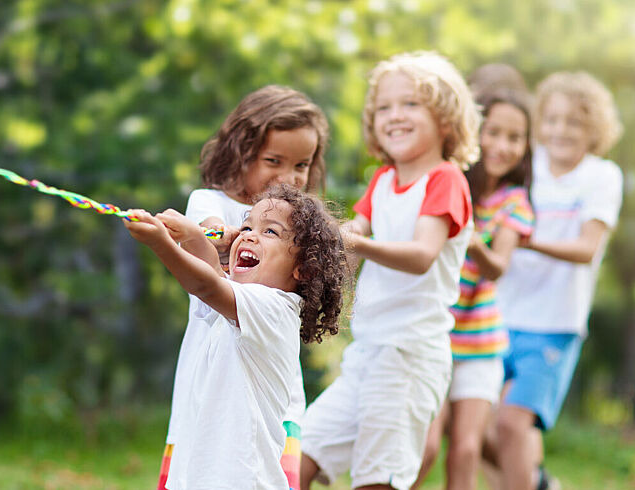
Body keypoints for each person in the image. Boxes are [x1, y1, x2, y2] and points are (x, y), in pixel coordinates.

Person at [300, 51, 480, 490]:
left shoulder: (445, 180)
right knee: (297, 457)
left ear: (445, 118)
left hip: (409, 358)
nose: (394, 115)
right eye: (384, 107)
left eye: (411, 104)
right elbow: (351, 240)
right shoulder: (382, 179)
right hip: (367, 353)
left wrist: (355, 241)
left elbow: (421, 255)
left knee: (375, 480)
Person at [159, 85, 331, 490]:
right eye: (274, 160)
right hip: (205, 391)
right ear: (241, 152)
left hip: (274, 400)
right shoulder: (209, 201)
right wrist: (214, 235)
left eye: (301, 165)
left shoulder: (296, 228)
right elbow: (207, 233)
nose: (288, 177)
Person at [125, 184, 346, 489]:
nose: (248, 235)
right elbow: (212, 273)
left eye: (270, 232)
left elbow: (205, 284)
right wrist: (191, 235)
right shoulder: (239, 303)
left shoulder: (275, 309)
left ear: (303, 270)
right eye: (246, 225)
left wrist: (163, 245)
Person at [491, 71, 624, 490]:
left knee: (513, 424)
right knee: (482, 429)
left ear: (595, 130)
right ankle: (538, 482)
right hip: (498, 314)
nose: (560, 130)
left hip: (554, 325)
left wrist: (524, 240)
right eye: (552, 119)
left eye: (575, 122)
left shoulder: (601, 175)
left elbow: (587, 249)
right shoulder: (525, 165)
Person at [412, 89, 534, 490]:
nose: (502, 145)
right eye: (493, 132)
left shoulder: (514, 202)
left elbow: (497, 267)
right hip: (435, 336)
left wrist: (468, 234)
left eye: (514, 138)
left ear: (525, 147)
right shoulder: (447, 181)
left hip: (481, 342)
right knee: (425, 446)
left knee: (466, 450)